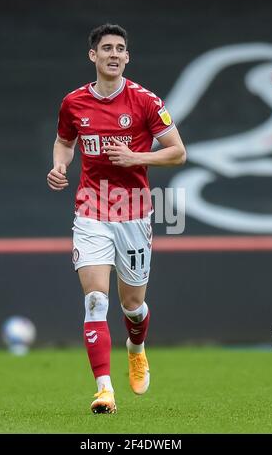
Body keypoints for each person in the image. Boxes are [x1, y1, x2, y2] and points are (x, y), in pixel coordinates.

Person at [47, 23, 186, 414]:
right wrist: (59, 166)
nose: (113, 54)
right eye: (106, 47)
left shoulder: (144, 101)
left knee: (132, 306)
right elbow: (64, 141)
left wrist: (137, 157)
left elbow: (177, 152)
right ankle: (104, 390)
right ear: (93, 56)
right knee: (95, 301)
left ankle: (137, 348)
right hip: (90, 210)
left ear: (127, 57)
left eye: (120, 49)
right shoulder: (73, 102)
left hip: (134, 213)